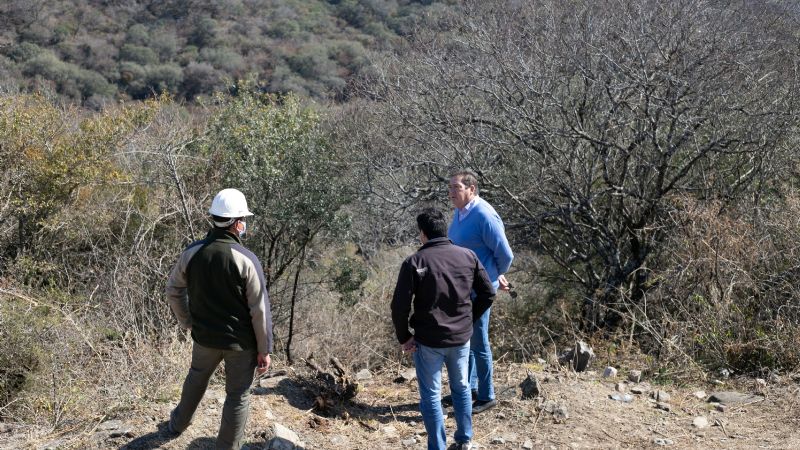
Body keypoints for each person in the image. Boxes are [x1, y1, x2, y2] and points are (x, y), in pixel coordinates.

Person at [165, 188, 273, 450]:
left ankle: (177, 424)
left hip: (204, 338)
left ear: (214, 218)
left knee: (196, 378)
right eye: (243, 219)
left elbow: (173, 290)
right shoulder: (246, 259)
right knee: (237, 395)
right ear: (237, 223)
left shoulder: (192, 252)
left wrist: (187, 321)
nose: (244, 224)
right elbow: (259, 310)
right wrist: (264, 350)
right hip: (240, 344)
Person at [391, 208, 495, 450]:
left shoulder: (414, 262)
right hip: (461, 339)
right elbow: (488, 292)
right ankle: (465, 440)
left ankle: (437, 446)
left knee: (431, 396)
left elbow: (399, 306)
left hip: (428, 341)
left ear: (422, 234)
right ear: (444, 230)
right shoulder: (468, 256)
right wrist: (469, 319)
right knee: (461, 388)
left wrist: (404, 336)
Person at [447, 169, 513, 414]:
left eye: (456, 187)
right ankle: (469, 388)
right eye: (450, 187)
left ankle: (487, 395)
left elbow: (505, 254)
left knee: (479, 340)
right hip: (463, 287)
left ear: (471, 189)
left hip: (480, 290)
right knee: (466, 338)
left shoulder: (484, 214)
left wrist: (494, 276)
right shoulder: (460, 211)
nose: (451, 192)